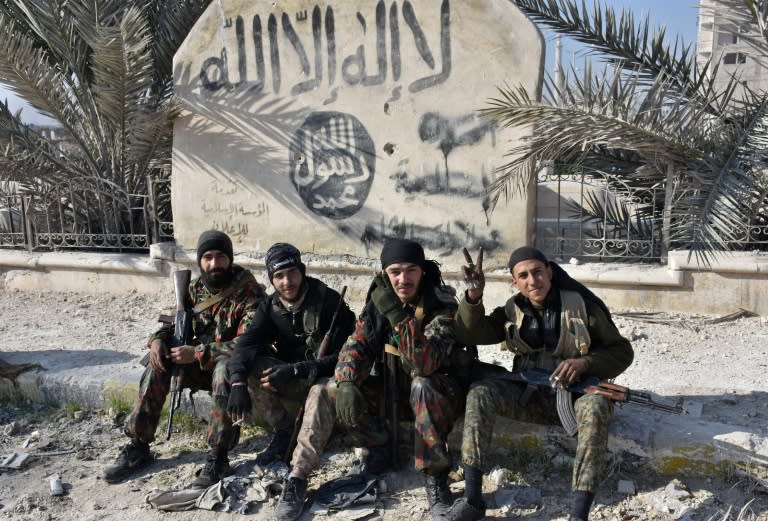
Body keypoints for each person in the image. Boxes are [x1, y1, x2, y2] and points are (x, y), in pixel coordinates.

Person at [271, 238, 465, 521]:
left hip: (436, 400)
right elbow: (355, 346)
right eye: (395, 271)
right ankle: (298, 477)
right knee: (325, 389)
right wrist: (347, 381)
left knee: (422, 384)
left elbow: (422, 364)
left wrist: (397, 315)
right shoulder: (378, 304)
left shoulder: (442, 305)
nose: (403, 279)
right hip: (391, 393)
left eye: (411, 270)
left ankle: (435, 480)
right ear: (384, 274)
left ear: (422, 271)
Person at [441, 246, 634, 521]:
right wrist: (473, 294)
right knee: (480, 392)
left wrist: (585, 363)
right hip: (528, 397)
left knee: (597, 406)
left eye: (538, 272)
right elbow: (471, 333)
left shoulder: (581, 307)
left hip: (575, 397)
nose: (533, 281)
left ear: (550, 272)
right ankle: (472, 500)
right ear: (515, 282)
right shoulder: (513, 310)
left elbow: (622, 351)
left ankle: (579, 513)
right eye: (524, 276)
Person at [102, 230, 266, 487]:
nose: (214, 264)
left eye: (220, 257)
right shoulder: (195, 289)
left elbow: (247, 345)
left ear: (230, 259)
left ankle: (218, 456)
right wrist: (157, 340)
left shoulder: (249, 292)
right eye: (208, 258)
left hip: (233, 373)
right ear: (200, 261)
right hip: (196, 366)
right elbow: (175, 321)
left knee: (225, 367)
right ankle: (138, 445)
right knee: (158, 363)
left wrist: (198, 353)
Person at [226, 243, 355, 467]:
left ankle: (317, 439)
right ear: (271, 279)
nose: (287, 282)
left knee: (324, 387)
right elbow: (245, 346)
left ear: (302, 271)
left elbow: (343, 357)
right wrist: (237, 383)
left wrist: (296, 370)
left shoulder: (329, 302)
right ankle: (284, 433)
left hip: (324, 379)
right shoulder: (269, 307)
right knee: (254, 365)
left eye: (292, 273)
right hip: (290, 378)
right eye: (279, 276)